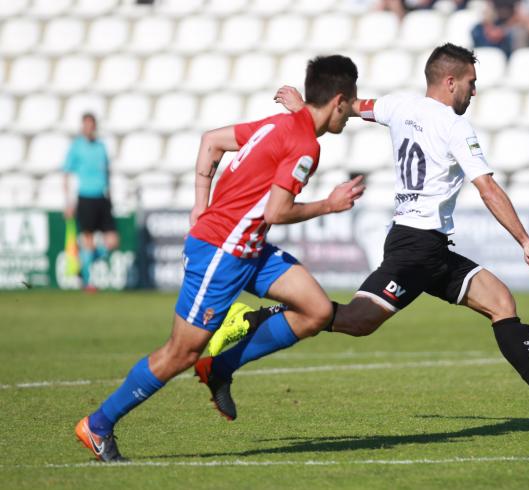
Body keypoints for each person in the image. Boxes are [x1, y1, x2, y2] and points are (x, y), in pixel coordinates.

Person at [208, 43, 529, 425]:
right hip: (417, 246)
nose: (474, 91)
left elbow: (352, 108)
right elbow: (488, 188)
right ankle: (255, 320)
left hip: (426, 243)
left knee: (499, 300)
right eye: (471, 82)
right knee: (357, 320)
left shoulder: (398, 105)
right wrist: (526, 242)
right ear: (450, 81)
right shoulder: (455, 126)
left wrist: (303, 111)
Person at [74, 55, 365, 462]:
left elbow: (211, 140)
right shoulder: (305, 145)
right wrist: (329, 205)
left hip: (249, 248)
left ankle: (221, 368)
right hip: (222, 253)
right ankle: (98, 424)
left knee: (316, 311)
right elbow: (276, 212)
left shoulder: (280, 124)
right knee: (180, 353)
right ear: (337, 101)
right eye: (350, 104)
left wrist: (200, 204)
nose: (352, 112)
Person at [63, 113, 119, 292]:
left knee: (112, 241)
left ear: (94, 126)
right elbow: (67, 174)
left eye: (91, 125)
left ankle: (84, 264)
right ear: (82, 127)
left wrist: (110, 194)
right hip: (85, 197)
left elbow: (107, 171)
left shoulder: (101, 146)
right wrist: (68, 202)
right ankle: (87, 282)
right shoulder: (76, 147)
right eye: (85, 125)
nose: (88, 128)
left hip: (102, 197)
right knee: (88, 240)